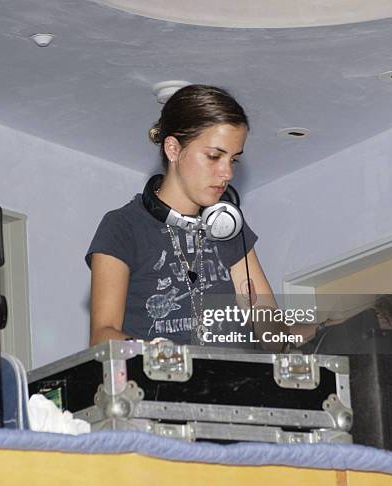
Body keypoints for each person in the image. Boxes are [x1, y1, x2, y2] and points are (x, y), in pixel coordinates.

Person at [86, 84, 286, 350]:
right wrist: (161, 352)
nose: (227, 173)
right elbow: (102, 335)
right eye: (214, 156)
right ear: (172, 149)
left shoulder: (228, 226)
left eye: (233, 160)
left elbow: (275, 337)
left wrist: (260, 318)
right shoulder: (123, 226)